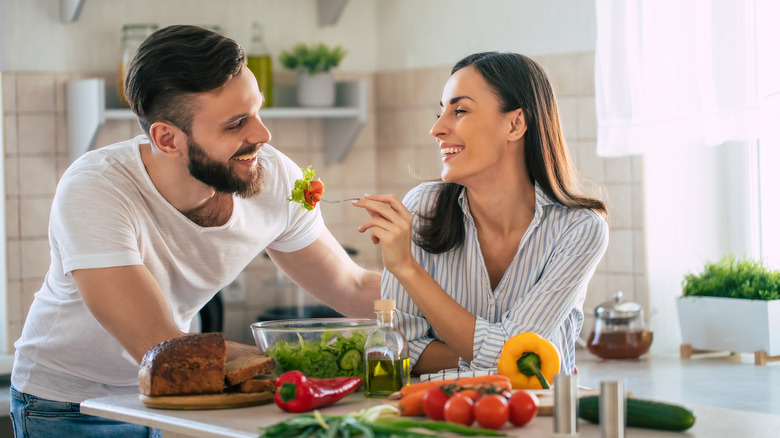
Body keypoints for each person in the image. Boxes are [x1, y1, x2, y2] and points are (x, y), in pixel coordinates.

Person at [9, 25, 380, 437]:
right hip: (71, 405)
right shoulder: (96, 188)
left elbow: (354, 287)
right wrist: (320, 359)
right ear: (167, 138)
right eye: (236, 123)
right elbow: (159, 345)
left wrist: (456, 319)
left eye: (257, 111)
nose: (262, 135)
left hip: (182, 394)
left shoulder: (271, 176)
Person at [355, 52, 608, 376]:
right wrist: (493, 355)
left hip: (537, 422)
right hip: (439, 418)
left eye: (459, 110)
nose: (436, 129)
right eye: (440, 112)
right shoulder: (421, 209)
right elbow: (401, 349)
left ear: (515, 124)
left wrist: (407, 268)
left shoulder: (579, 229)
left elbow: (514, 352)